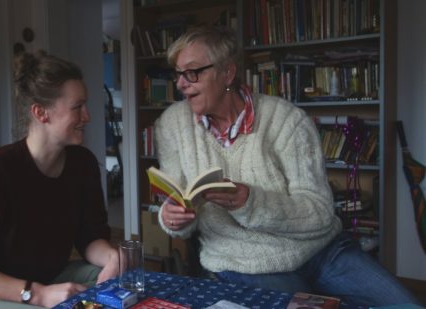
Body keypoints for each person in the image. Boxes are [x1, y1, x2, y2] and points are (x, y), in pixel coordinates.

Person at [154, 26, 420, 307]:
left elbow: (319, 211)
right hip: (243, 260)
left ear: (227, 73)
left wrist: (250, 202)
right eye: (178, 74)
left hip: (322, 251)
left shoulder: (286, 120)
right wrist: (172, 219)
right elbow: (177, 203)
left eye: (192, 72)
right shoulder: (172, 125)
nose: (181, 83)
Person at [0, 51, 119, 308]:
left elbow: (90, 237)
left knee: (121, 284)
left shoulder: (82, 164)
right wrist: (38, 294)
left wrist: (111, 257)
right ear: (41, 113)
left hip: (37, 278)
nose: (88, 116)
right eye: (77, 107)